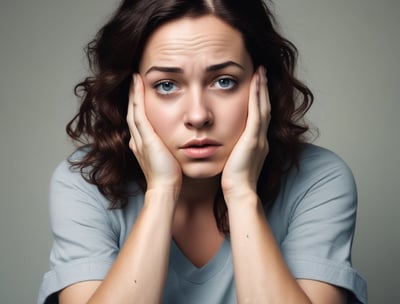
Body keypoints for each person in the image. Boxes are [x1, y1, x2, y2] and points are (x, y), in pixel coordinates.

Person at [38, 0, 367, 303]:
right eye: (166, 85)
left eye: (224, 81)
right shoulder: (83, 182)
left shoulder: (318, 179)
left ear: (262, 84)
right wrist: (162, 192)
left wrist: (241, 194)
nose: (198, 115)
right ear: (131, 95)